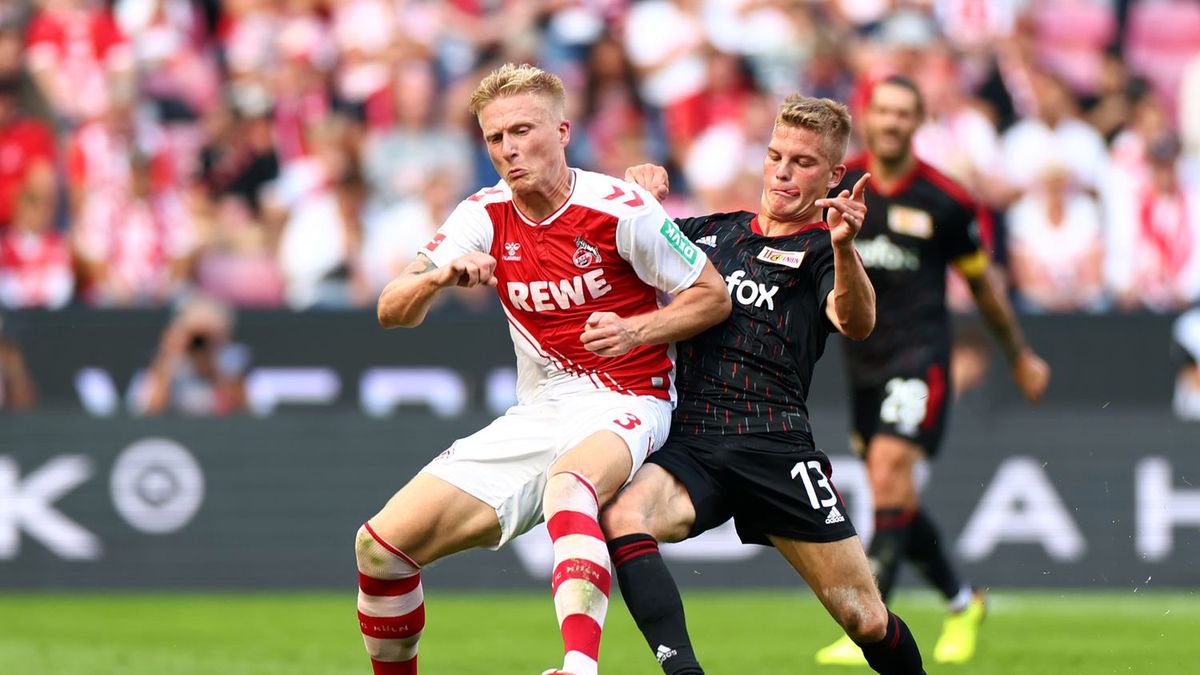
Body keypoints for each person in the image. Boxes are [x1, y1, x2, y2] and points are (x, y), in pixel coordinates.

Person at [357, 63, 731, 675]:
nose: (508, 148)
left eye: (521, 130)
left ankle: (579, 666)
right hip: (540, 409)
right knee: (380, 550)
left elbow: (711, 296)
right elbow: (389, 309)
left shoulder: (621, 208)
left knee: (570, 485)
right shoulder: (483, 212)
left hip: (629, 396)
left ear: (562, 130)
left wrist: (635, 330)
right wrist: (441, 277)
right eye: (494, 137)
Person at [609, 94, 926, 675]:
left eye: (803, 163)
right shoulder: (707, 232)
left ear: (834, 176)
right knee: (625, 518)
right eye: (776, 155)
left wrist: (844, 246)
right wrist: (636, 205)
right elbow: (614, 256)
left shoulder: (821, 252)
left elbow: (856, 321)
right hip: (695, 444)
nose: (783, 171)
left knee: (867, 620)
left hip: (775, 447)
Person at [815, 75, 1051, 666]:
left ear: (918, 123)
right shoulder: (842, 189)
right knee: (893, 494)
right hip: (863, 365)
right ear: (867, 117)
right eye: (884, 111)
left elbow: (985, 291)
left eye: (904, 113)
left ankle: (869, 623)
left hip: (920, 359)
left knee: (891, 470)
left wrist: (1018, 355)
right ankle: (962, 599)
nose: (893, 122)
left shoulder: (945, 200)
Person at [137, 295, 249, 416]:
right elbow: (151, 412)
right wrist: (171, 356)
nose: (199, 341)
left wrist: (210, 366)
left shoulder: (231, 358)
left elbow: (243, 410)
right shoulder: (172, 359)